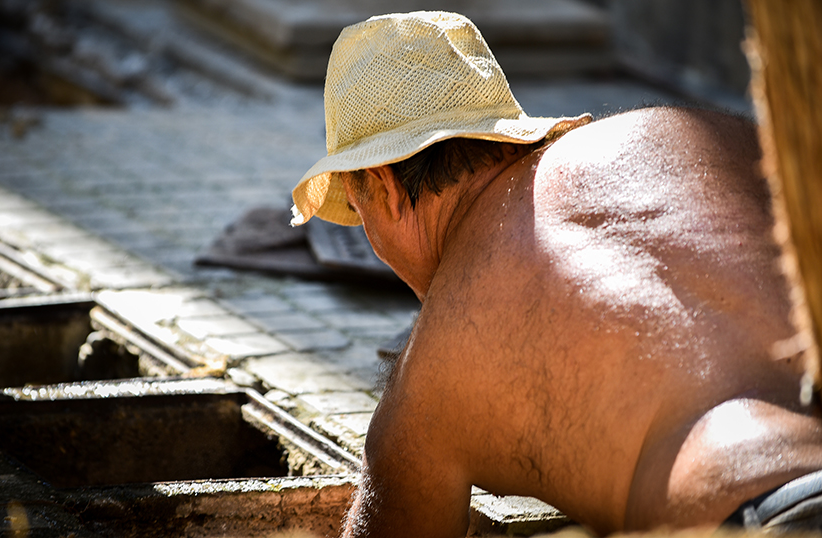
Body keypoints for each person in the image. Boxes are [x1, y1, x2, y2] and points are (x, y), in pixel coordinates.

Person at [290, 11, 822, 537]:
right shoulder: (692, 133)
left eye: (359, 213)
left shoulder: (433, 372)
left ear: (382, 189)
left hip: (765, 509)